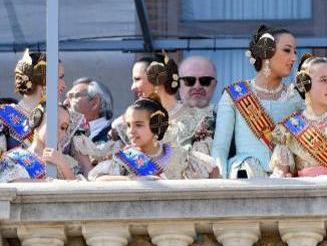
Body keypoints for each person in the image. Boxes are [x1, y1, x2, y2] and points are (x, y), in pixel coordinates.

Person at [211, 25, 303, 178]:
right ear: (266, 52)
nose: (293, 58)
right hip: (245, 179)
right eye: (287, 50)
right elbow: (220, 149)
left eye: (295, 52)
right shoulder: (234, 95)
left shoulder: (296, 99)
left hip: (285, 183)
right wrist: (219, 186)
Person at [88, 96, 219, 180]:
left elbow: (212, 169)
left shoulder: (179, 155)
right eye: (128, 126)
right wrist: (131, 180)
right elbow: (98, 179)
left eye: (138, 125)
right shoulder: (126, 158)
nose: (131, 131)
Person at [0, 49, 66, 153]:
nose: (64, 85)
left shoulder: (66, 118)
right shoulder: (3, 117)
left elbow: (85, 168)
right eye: (61, 77)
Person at [0, 103, 80, 182]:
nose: (58, 130)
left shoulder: (67, 162)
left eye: (63, 128)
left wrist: (63, 164)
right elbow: (9, 185)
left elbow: (79, 192)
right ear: (37, 119)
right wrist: (49, 183)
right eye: (54, 123)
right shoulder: (14, 158)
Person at [64, 78, 114, 143]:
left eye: (73, 96)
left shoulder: (114, 139)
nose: (65, 102)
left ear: (94, 103)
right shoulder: (66, 136)